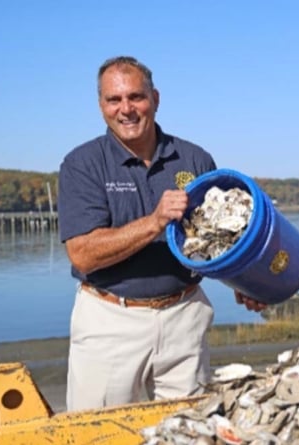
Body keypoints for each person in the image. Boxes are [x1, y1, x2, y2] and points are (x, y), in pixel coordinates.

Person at [58, 55, 266, 411]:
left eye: (136, 97)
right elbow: (83, 253)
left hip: (184, 316)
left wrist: (249, 283)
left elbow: (219, 241)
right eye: (114, 100)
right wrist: (154, 222)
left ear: (155, 98)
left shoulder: (194, 159)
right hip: (110, 321)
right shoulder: (83, 165)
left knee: (188, 428)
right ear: (101, 106)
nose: (126, 109)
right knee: (98, 434)